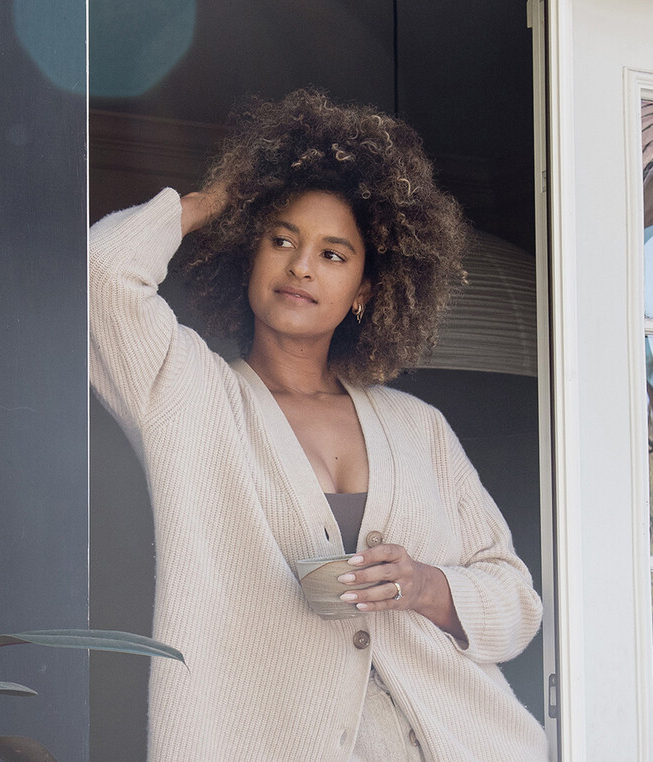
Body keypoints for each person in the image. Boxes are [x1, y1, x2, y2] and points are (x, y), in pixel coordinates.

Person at [89, 89, 548, 761]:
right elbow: (102, 275)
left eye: (334, 254)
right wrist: (218, 201)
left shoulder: (418, 428)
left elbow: (516, 604)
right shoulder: (188, 394)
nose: (302, 266)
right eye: (281, 239)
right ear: (250, 253)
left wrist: (427, 586)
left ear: (366, 289)